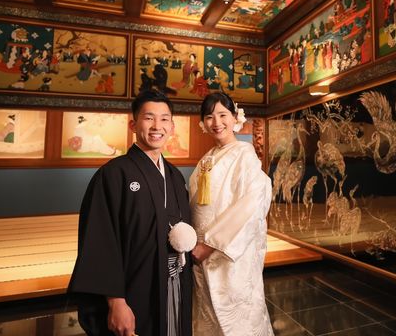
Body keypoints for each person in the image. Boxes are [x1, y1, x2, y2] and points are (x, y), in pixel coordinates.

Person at [68, 90, 193, 336]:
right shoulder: (113, 174)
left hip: (175, 282)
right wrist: (116, 301)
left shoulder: (175, 176)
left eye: (164, 119)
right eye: (149, 118)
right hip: (135, 288)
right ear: (133, 125)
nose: (157, 126)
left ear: (172, 126)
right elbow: (100, 242)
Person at [189, 92, 273, 335]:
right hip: (200, 253)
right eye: (209, 116)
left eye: (222, 115)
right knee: (207, 315)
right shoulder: (207, 158)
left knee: (237, 318)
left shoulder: (244, 153)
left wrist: (211, 244)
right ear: (203, 123)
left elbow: (251, 204)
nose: (216, 122)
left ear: (235, 117)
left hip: (227, 252)